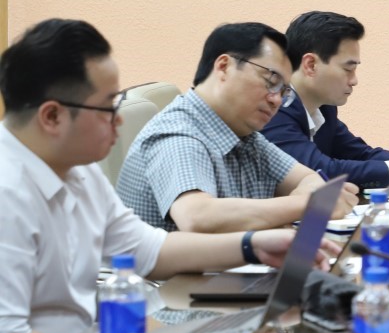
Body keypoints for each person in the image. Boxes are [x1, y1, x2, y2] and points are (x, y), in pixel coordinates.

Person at [0, 19, 333, 333]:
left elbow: (147, 250)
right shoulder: (9, 192)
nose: (118, 121)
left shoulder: (79, 171)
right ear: (52, 116)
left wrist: (254, 245)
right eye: (108, 107)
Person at [116, 22, 358, 232]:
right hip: (176, 275)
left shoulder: (245, 135)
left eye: (284, 91)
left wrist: (305, 199)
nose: (276, 100)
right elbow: (196, 216)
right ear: (224, 66)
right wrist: (307, 204)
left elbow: (307, 178)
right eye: (271, 81)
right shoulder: (178, 133)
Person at [261, 11, 389, 187]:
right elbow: (318, 170)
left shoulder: (323, 107)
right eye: (348, 69)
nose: (354, 81)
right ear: (311, 65)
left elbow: (360, 154)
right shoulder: (274, 108)